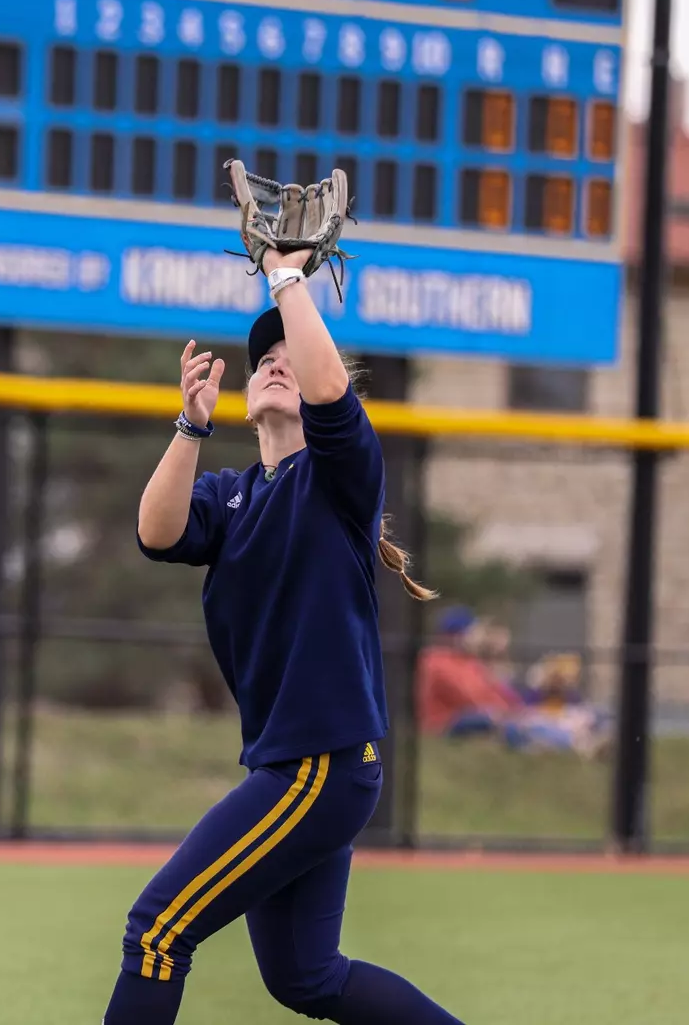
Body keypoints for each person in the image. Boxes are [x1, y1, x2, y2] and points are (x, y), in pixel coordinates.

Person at [112, 242, 465, 1025]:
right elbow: (157, 531)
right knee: (307, 977)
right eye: (261, 359)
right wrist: (188, 424)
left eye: (288, 356)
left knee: (157, 931)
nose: (274, 363)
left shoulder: (339, 477)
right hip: (302, 765)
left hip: (319, 764)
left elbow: (332, 385)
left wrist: (286, 274)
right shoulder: (233, 495)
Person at [416, 606, 524, 739]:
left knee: (519, 722)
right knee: (496, 722)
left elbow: (490, 690)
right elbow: (464, 696)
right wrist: (495, 712)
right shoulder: (435, 661)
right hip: (445, 723)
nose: (478, 637)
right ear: (459, 635)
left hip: (475, 715)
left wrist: (510, 709)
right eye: (474, 632)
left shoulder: (469, 661)